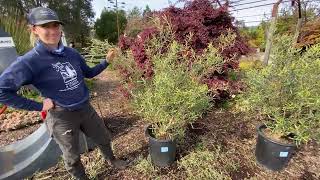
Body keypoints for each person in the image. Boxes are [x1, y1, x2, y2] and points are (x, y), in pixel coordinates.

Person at [0, 7, 127, 180]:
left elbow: (88, 73)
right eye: (46, 26)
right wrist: (39, 106)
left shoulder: (71, 53)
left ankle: (112, 160)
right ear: (34, 30)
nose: (52, 31)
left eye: (55, 25)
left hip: (85, 108)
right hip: (61, 117)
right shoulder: (30, 61)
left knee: (103, 137)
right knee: (72, 156)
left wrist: (105, 62)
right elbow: (3, 91)